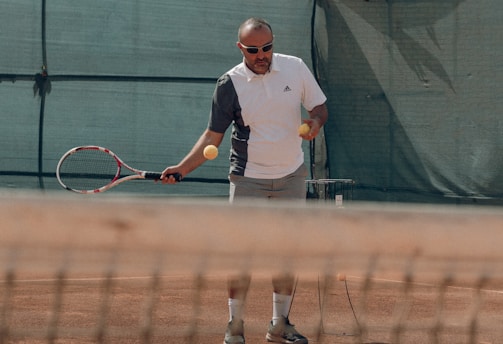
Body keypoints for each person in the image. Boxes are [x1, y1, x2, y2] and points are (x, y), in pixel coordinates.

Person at [161, 17, 328, 344]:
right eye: (253, 50)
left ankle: (280, 324)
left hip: (292, 175)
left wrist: (316, 121)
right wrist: (181, 168)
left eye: (267, 47)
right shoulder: (229, 85)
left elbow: (319, 106)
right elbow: (212, 135)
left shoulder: (294, 68)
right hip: (247, 179)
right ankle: (234, 326)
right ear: (241, 48)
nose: (261, 54)